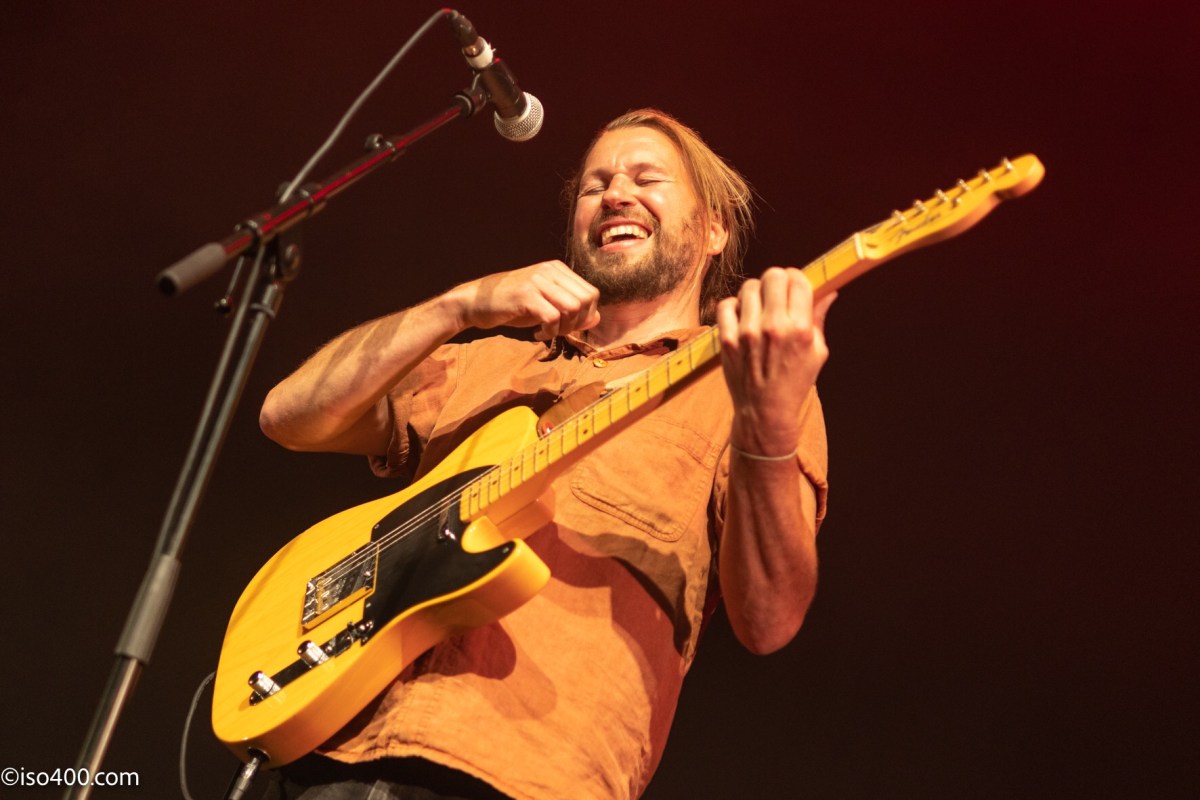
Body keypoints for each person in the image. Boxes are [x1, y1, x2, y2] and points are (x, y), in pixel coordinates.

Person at [258, 109, 836, 800]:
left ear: (714, 230)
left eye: (647, 178)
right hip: (333, 743)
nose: (616, 194)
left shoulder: (744, 386)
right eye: (596, 185)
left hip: (528, 775)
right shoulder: (491, 359)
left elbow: (770, 619)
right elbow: (289, 415)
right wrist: (457, 306)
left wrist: (766, 420)